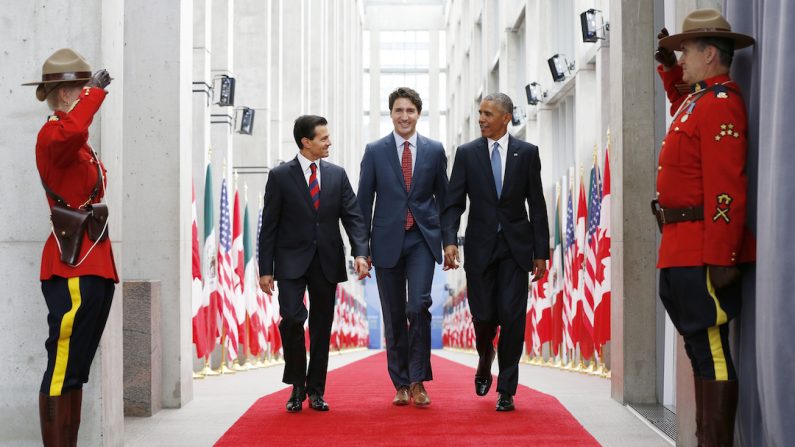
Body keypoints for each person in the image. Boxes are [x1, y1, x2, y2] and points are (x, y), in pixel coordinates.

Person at [653, 9, 755, 446]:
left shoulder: (721, 103)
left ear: (710, 54)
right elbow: (680, 102)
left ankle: (713, 441)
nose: (683, 60)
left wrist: (721, 256)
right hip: (680, 246)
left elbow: (725, 190)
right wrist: (668, 67)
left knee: (710, 351)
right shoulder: (698, 100)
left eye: (686, 52)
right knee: (699, 350)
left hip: (701, 250)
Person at [23, 48, 117, 445]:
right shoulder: (54, 135)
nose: (87, 93)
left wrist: (92, 95)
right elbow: (74, 130)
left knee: (76, 366)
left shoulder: (75, 143)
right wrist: (95, 95)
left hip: (92, 262)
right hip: (71, 266)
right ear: (66, 94)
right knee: (62, 363)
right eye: (82, 88)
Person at [442, 93, 549, 412]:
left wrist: (540, 251)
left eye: (488, 114)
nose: (482, 119)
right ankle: (485, 355)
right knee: (484, 315)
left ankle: (507, 389)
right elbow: (453, 203)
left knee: (513, 317)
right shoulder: (466, 154)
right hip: (480, 247)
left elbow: (538, 205)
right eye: (480, 113)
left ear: (506, 117)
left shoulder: (527, 153)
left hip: (517, 248)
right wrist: (449, 239)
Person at [258, 115, 370, 413]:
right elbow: (268, 225)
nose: (329, 142)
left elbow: (354, 217)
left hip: (327, 262)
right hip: (290, 262)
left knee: (322, 327)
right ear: (306, 142)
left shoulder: (337, 174)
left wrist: (360, 252)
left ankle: (316, 390)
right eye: (323, 138)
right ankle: (297, 385)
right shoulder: (280, 176)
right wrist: (265, 269)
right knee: (293, 319)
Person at [357, 87, 448, 406]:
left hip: (422, 237)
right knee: (394, 313)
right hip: (385, 240)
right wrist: (361, 249)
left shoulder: (435, 150)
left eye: (410, 110)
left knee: (418, 305)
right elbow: (363, 202)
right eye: (399, 110)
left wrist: (449, 241)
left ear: (418, 114)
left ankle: (418, 380)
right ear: (390, 113)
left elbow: (446, 200)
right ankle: (400, 383)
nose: (404, 116)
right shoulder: (375, 151)